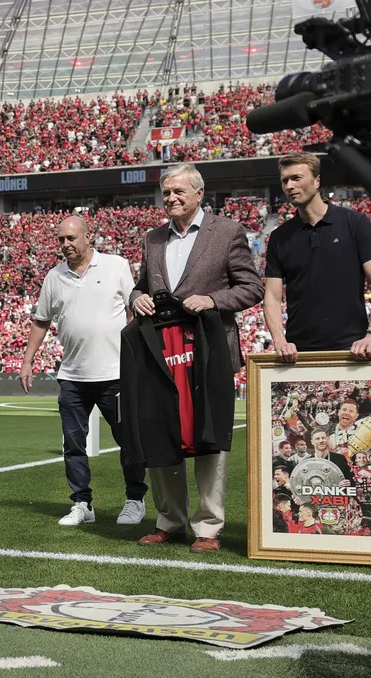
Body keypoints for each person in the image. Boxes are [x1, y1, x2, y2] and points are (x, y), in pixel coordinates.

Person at [129, 163, 264, 553]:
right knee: (163, 433)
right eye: (166, 192)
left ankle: (208, 527)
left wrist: (212, 301)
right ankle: (169, 520)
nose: (170, 198)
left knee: (209, 438)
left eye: (178, 192)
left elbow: (251, 287)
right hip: (163, 354)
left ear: (199, 193)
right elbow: (143, 285)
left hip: (210, 353)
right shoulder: (152, 239)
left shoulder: (227, 232)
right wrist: (136, 296)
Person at [19, 215, 146, 526]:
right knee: (73, 444)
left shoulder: (116, 265)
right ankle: (82, 504)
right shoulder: (53, 276)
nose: (65, 245)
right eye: (61, 239)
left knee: (129, 440)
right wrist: (27, 359)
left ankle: (134, 500)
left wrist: (138, 356)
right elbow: (41, 320)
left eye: (71, 238)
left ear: (88, 238)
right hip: (73, 376)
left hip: (115, 373)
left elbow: (133, 308)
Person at [263, 151, 371, 362]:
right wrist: (279, 340)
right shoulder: (279, 237)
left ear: (316, 181)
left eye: (296, 178)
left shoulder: (355, 223)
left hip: (354, 348)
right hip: (298, 353)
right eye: (285, 180)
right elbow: (272, 297)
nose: (289, 186)